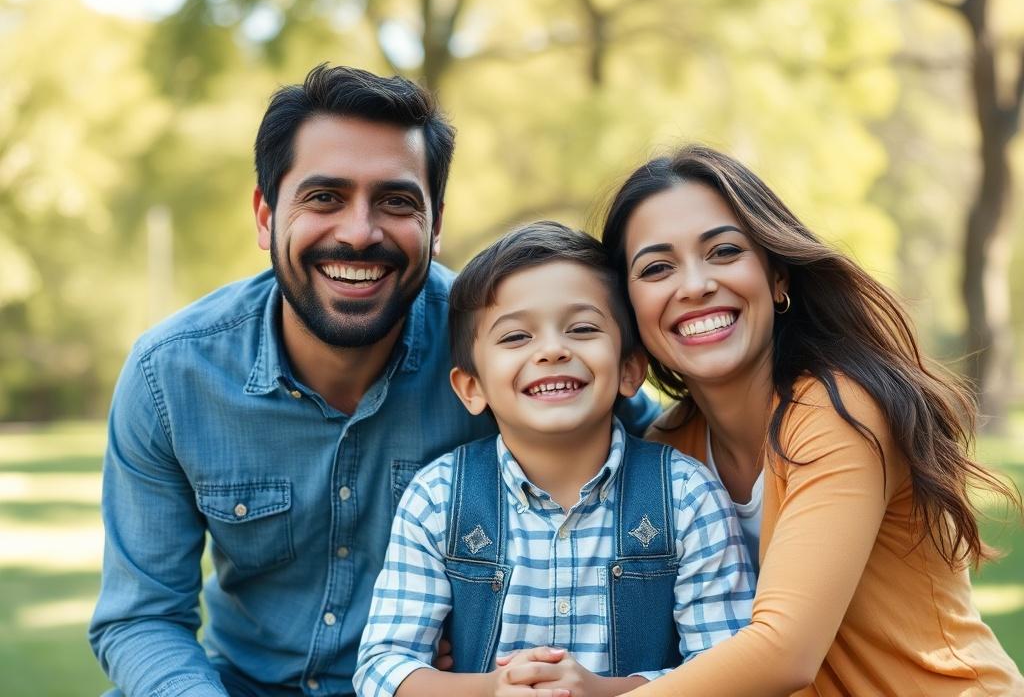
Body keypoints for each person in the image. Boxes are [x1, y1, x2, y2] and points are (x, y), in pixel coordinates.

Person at [88, 64, 660, 697]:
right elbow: (141, 618)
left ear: (435, 225)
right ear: (265, 215)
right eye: (324, 198)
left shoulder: (505, 350)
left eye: (395, 202)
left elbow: (665, 443)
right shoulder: (170, 377)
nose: (359, 233)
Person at [595, 144, 1024, 695]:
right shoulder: (669, 447)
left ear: (778, 279)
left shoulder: (838, 409)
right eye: (656, 268)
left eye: (724, 252)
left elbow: (783, 652)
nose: (695, 284)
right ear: (631, 312)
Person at [354, 221, 754, 697]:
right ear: (472, 387)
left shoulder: (686, 494)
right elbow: (382, 666)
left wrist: (603, 692)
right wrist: (492, 690)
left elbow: (731, 669)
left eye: (582, 328)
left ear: (630, 370)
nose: (552, 351)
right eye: (515, 337)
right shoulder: (438, 498)